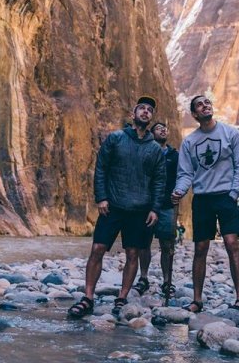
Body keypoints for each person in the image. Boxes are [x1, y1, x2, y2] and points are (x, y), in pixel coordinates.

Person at [67, 96, 165, 319]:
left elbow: (159, 181)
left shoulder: (155, 150)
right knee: (97, 249)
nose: (146, 112)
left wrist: (155, 209)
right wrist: (101, 197)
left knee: (133, 253)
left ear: (151, 117)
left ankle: (122, 297)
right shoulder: (116, 138)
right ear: (133, 114)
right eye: (142, 108)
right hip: (112, 206)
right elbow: (101, 168)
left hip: (140, 209)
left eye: (150, 110)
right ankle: (88, 298)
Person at [171, 95, 239, 322]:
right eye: (199, 105)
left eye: (207, 103)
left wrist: (233, 194)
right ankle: (197, 299)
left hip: (226, 196)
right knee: (200, 247)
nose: (205, 106)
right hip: (202, 198)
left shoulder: (231, 134)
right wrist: (179, 190)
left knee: (232, 243)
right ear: (195, 114)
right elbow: (186, 173)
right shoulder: (189, 142)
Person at [133, 121, 179, 298]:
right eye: (159, 128)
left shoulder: (175, 155)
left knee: (167, 244)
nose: (163, 130)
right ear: (151, 133)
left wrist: (179, 192)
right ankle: (143, 277)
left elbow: (182, 175)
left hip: (167, 205)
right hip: (146, 204)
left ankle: (167, 281)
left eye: (165, 128)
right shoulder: (145, 151)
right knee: (144, 243)